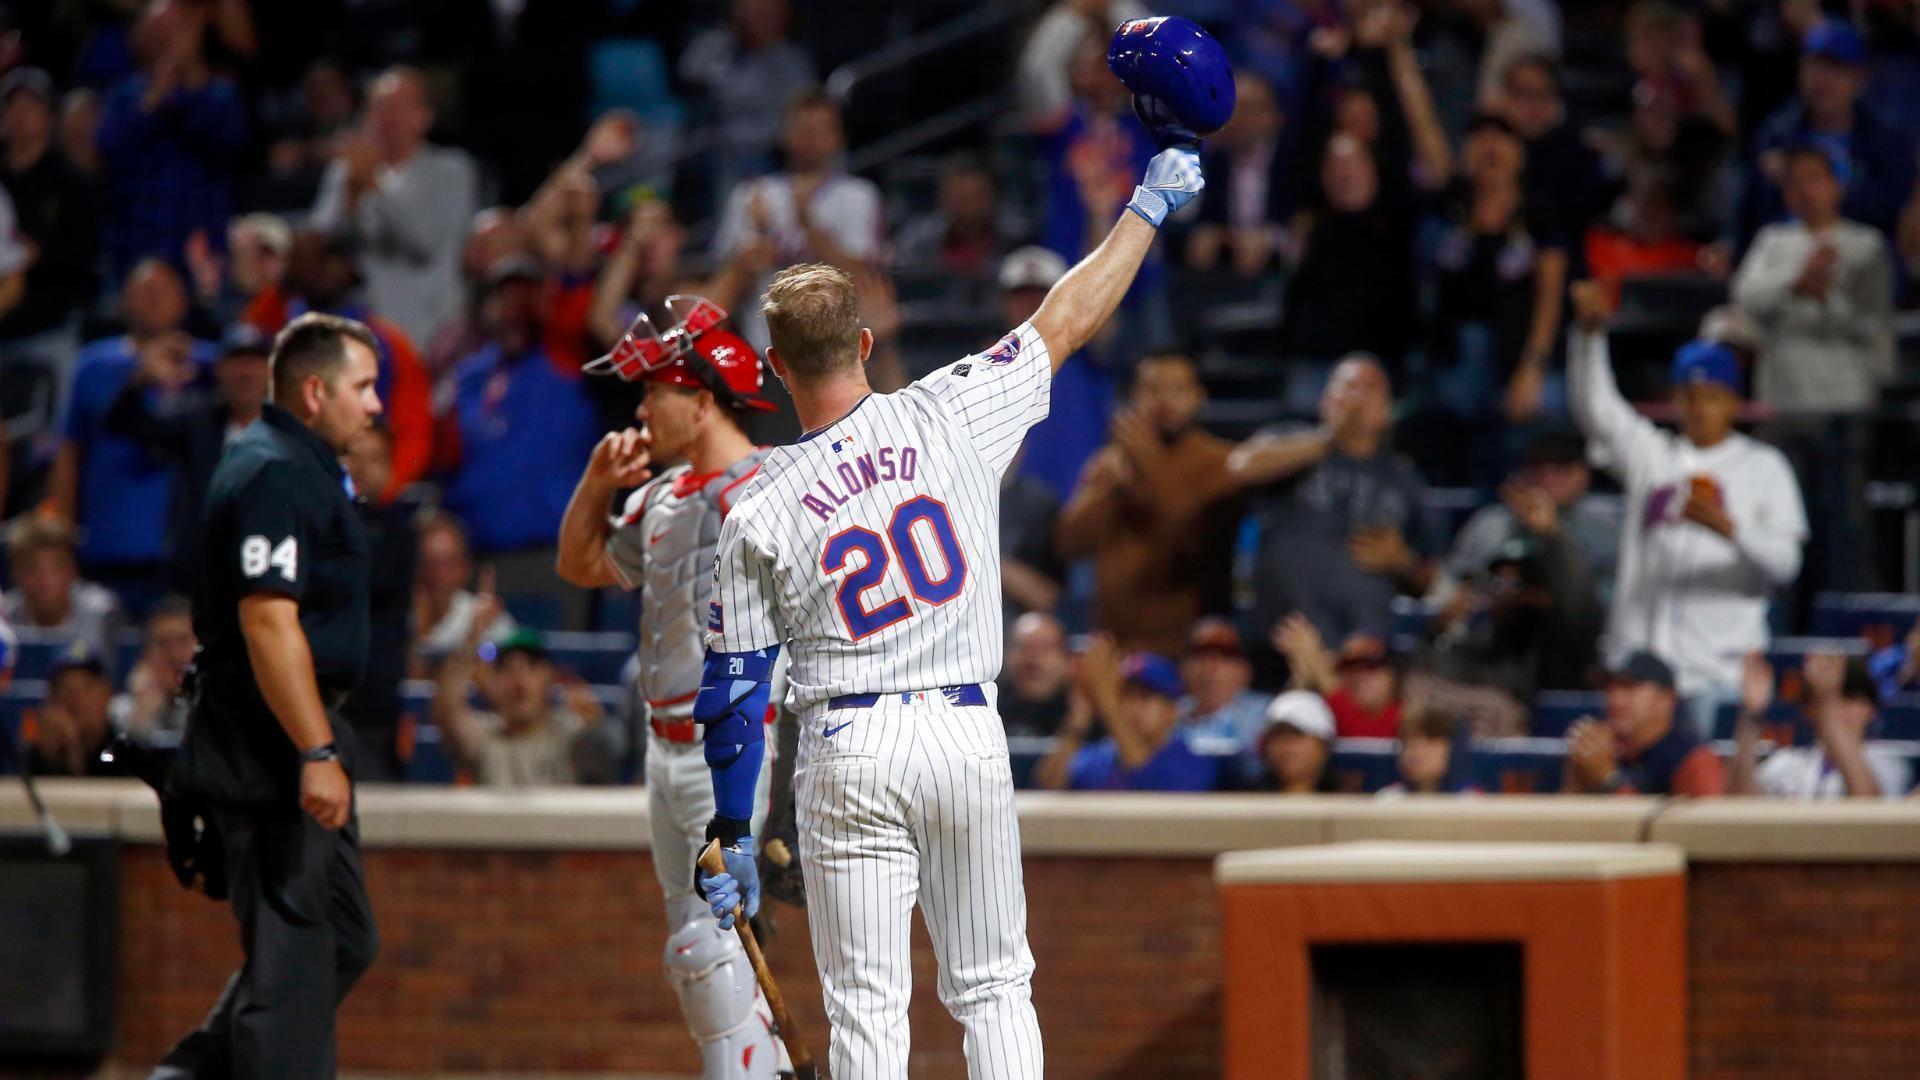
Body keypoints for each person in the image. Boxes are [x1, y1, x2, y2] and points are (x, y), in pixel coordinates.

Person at [693, 144, 1205, 1077]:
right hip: (965, 731)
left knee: (869, 1019)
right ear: (863, 342)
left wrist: (730, 830)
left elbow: (735, 690)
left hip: (847, 746)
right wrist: (1147, 206)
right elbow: (1066, 320)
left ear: (774, 367)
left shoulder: (758, 506)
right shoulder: (950, 410)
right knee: (996, 987)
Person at [553, 301, 790, 1077]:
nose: (642, 408)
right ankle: (767, 1065)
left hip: (735, 747)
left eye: (658, 391)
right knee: (700, 951)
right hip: (663, 749)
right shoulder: (660, 496)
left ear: (702, 400)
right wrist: (595, 485)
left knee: (706, 943)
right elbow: (582, 567)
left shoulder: (770, 482)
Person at [156, 313, 384, 1079]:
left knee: (342, 939)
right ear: (314, 392)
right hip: (272, 739)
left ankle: (187, 1076)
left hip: (302, 728)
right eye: (364, 387)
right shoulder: (275, 470)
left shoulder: (298, 461)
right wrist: (314, 748)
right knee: (294, 963)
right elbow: (265, 617)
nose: (377, 404)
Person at [1567, 280, 1807, 734]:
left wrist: (1729, 529)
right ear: (1675, 400)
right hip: (1640, 675)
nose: (1699, 408)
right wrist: (1588, 338)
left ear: (1734, 403)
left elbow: (1786, 565)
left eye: (1712, 397)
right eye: (1689, 396)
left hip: (1715, 674)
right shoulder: (1652, 455)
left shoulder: (1764, 468)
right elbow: (1595, 409)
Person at [1230, 353, 1440, 653]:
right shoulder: (1292, 442)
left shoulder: (1403, 479)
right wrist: (1330, 439)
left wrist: (1403, 563)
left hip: (1361, 660)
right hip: (1280, 644)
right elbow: (1242, 468)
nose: (1357, 395)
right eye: (1347, 386)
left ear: (1386, 412)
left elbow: (1431, 580)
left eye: (1370, 387)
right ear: (1325, 401)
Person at [438, 259, 601, 625]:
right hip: (477, 561)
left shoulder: (565, 357)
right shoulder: (468, 376)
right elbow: (447, 459)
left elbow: (579, 305)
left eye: (524, 299)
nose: (514, 310)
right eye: (504, 298)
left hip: (547, 560)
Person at [49, 259, 217, 605]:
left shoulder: (213, 366)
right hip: (109, 540)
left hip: (188, 549)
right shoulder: (93, 364)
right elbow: (69, 452)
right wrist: (62, 534)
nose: (154, 300)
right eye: (144, 291)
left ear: (184, 300)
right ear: (124, 301)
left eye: (163, 291)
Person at [1055, 349, 1242, 656]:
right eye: (1152, 389)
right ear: (1134, 396)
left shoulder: (1221, 461)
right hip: (1113, 646)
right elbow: (1069, 543)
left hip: (1188, 651)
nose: (1165, 400)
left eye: (1178, 389)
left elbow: (1184, 532)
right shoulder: (1115, 462)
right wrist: (1108, 488)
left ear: (1199, 397)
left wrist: (1148, 460)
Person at [309, 66, 479, 348]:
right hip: (363, 327)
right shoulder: (346, 172)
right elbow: (322, 243)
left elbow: (423, 240)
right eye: (379, 107)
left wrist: (374, 184)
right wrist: (350, 197)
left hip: (432, 331)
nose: (386, 117)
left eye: (398, 106)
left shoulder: (452, 170)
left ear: (424, 116)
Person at [103, 323, 271, 596]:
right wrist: (142, 379)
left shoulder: (291, 429)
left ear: (271, 370)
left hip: (270, 569)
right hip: (203, 575)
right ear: (219, 369)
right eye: (236, 362)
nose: (246, 372)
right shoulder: (198, 421)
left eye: (255, 362)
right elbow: (121, 423)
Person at [1731, 143, 1895, 413]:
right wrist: (1795, 281)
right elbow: (1744, 295)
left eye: (1814, 179)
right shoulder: (1772, 240)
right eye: (1795, 183)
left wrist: (1825, 296)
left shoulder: (1866, 245)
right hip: (1781, 393)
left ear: (1837, 186)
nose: (1805, 191)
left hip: (1847, 394)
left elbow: (1874, 323)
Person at [95, 0, 247, 283]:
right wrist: (154, 98)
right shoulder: (124, 96)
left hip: (200, 239)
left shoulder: (220, 93)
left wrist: (190, 83)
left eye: (177, 31)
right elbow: (109, 150)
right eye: (159, 33)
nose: (169, 42)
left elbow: (227, 144)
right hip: (136, 239)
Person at [1743, 19, 1914, 243]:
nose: (1822, 79)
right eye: (1814, 66)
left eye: (1835, 68)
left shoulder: (1884, 139)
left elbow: (1895, 209)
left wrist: (1827, 192)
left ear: (1859, 78)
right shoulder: (1777, 134)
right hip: (1786, 251)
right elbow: (1746, 209)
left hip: (1857, 253)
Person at [1441, 428, 1621, 605]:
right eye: (1538, 469)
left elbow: (1606, 604)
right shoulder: (1490, 524)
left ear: (1584, 475)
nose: (1548, 479)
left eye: (1561, 469)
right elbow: (1452, 586)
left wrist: (1551, 534)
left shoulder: (1606, 534)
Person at [0, 66, 97, 376]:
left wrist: (38, 254)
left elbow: (85, 253)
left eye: (32, 106)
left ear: (50, 117)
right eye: (13, 106)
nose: (21, 114)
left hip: (49, 328)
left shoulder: (71, 181)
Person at [432, 624, 616, 787]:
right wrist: (470, 641)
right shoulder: (485, 738)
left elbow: (604, 777)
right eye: (508, 668)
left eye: (532, 667)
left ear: (549, 678)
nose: (520, 680)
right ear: (494, 683)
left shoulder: (569, 734)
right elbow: (448, 712)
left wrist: (595, 726)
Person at [1035, 640, 1221, 792]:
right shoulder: (1098, 757)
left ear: (1171, 711)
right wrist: (1079, 717)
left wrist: (1107, 701)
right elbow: (1048, 786)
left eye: (1144, 697)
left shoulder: (1191, 761)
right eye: (1124, 696)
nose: (1133, 707)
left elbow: (1144, 779)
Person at [678, 0, 818, 200]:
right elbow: (689, 79)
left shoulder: (794, 61)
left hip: (771, 152)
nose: (757, 17)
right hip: (717, 149)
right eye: (750, 9)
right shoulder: (712, 47)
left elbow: (804, 112)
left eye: (767, 11)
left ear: (782, 16)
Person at [1732, 651, 1911, 799]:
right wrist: (1751, 714)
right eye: (1831, 699)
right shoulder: (1791, 763)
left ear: (1871, 709)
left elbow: (1869, 806)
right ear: (1808, 711)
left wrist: (1827, 702)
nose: (1840, 709)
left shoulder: (1887, 762)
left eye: (1850, 697)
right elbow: (1743, 806)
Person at [1562, 651, 1726, 796]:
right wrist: (1578, 773)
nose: (1615, 700)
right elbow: (1565, 827)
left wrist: (1609, 781)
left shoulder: (1695, 760)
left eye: (1629, 688)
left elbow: (1707, 828)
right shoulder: (1604, 749)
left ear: (1666, 699)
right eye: (1609, 689)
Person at [1, 516, 126, 663]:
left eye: (56, 568)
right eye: (32, 569)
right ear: (15, 573)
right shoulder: (3, 616)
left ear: (72, 569)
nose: (45, 580)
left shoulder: (101, 613)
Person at [410, 512, 515, 671]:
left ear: (466, 568)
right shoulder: (394, 616)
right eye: (429, 563)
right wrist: (418, 635)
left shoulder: (486, 616)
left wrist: (475, 639)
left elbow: (506, 681)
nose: (439, 575)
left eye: (449, 563)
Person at [1178, 617, 1273, 789]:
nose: (1210, 667)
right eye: (1199, 654)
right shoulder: (1169, 714)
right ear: (1183, 668)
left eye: (1225, 655)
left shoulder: (1268, 713)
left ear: (1246, 671)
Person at [27, 645, 125, 777]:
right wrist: (49, 757)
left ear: (107, 694)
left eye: (87, 688)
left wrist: (76, 755)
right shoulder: (40, 750)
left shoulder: (122, 749)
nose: (76, 700)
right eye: (65, 688)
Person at [113, 594, 196, 741]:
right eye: (162, 643)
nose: (174, 655)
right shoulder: (120, 713)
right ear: (145, 655)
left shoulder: (220, 707)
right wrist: (142, 716)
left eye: (183, 641)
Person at [998, 612, 1073, 737]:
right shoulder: (984, 708)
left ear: (1067, 659)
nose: (1034, 660)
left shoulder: (1088, 719)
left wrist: (1076, 726)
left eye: (1045, 648)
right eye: (1023, 647)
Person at [1377, 707, 1476, 797]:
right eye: (1408, 742)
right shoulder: (1389, 799)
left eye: (1429, 741)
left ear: (1454, 749)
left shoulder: (1474, 803)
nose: (1414, 752)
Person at [1259, 689, 1335, 795]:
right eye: (1278, 735)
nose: (1286, 744)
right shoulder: (1244, 801)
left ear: (1323, 744)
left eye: (1297, 734)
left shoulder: (1352, 803)